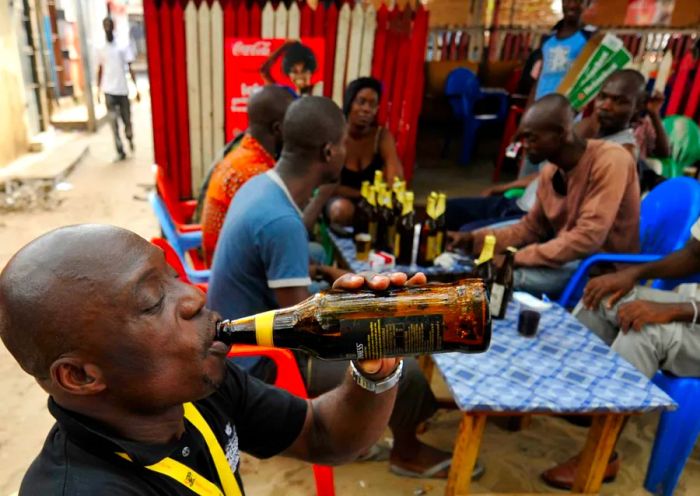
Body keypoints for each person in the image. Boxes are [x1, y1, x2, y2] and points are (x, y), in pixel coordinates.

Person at [0, 224, 409, 494]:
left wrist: (375, 369)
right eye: (153, 301)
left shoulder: (192, 387)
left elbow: (322, 434)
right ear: (80, 376)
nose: (195, 297)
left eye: (174, 277)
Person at [209, 96, 454, 479]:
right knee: (402, 370)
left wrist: (326, 271)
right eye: (342, 144)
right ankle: (406, 451)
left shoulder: (262, 187)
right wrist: (371, 316)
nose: (345, 150)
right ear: (328, 151)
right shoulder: (279, 220)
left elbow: (289, 260)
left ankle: (375, 430)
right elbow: (306, 327)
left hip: (238, 341)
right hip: (256, 361)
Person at [540, 219, 700, 489]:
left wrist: (676, 311)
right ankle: (584, 401)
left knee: (644, 332)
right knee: (603, 295)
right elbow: (694, 253)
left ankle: (601, 455)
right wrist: (634, 274)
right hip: (692, 306)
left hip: (692, 311)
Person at [448, 94, 640, 297]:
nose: (525, 145)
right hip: (567, 254)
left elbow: (587, 238)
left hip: (599, 266)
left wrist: (514, 259)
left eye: (531, 137)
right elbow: (530, 228)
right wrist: (472, 240)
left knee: (500, 278)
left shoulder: (611, 160)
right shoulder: (551, 170)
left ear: (561, 134)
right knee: (472, 261)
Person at [446, 68, 649, 233]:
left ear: (638, 108)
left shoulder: (622, 152)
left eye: (619, 101)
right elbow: (548, 170)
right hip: (518, 204)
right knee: (445, 212)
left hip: (536, 222)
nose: (606, 106)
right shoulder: (592, 136)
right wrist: (503, 187)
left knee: (467, 234)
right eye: (603, 97)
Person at [200, 85, 294, 266]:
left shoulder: (244, 154)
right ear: (278, 129)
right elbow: (281, 237)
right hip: (233, 270)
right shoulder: (254, 173)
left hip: (227, 257)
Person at [325, 77, 404, 226]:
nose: (367, 109)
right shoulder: (335, 135)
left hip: (372, 203)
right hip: (338, 200)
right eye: (361, 102)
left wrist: (389, 190)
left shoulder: (381, 137)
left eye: (372, 104)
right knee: (342, 210)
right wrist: (363, 194)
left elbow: (395, 180)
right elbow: (327, 187)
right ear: (349, 104)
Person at [97, 17, 141, 162]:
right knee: (113, 122)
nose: (108, 28)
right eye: (105, 25)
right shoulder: (101, 47)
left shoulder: (122, 45)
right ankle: (120, 150)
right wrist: (98, 91)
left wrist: (136, 88)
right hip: (108, 90)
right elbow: (100, 69)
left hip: (122, 90)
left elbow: (130, 67)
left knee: (126, 120)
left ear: (113, 27)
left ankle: (130, 139)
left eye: (110, 25)